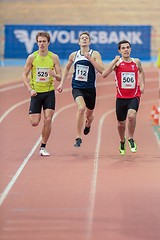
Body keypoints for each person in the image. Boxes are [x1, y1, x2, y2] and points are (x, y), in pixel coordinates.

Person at [86, 39, 145, 154]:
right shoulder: (117, 63)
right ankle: (122, 140)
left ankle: (131, 138)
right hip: (121, 98)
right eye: (123, 48)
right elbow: (104, 74)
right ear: (119, 51)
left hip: (134, 96)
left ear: (130, 49)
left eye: (127, 47)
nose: (126, 50)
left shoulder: (136, 62)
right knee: (121, 123)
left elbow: (142, 71)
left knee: (132, 116)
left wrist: (142, 85)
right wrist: (113, 62)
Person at [57, 32, 104, 147]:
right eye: (82, 38)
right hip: (77, 87)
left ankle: (88, 124)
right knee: (81, 108)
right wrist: (61, 83)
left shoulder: (95, 54)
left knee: (89, 115)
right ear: (78, 42)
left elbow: (102, 70)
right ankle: (78, 137)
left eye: (86, 38)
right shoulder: (74, 55)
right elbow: (67, 68)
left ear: (89, 42)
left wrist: (90, 59)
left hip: (90, 89)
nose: (84, 39)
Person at [22, 31, 62, 156]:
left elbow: (60, 77)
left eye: (44, 41)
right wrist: (30, 89)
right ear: (37, 43)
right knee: (34, 122)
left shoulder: (54, 57)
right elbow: (24, 75)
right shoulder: (32, 57)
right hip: (36, 93)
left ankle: (43, 147)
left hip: (49, 92)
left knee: (48, 119)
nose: (41, 44)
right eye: (39, 41)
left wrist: (54, 74)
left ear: (48, 42)